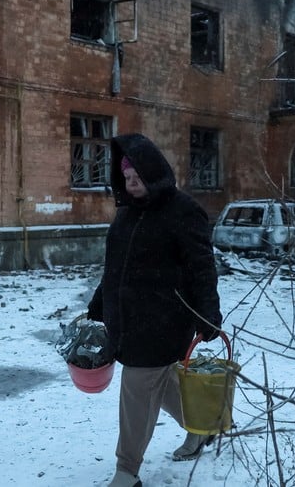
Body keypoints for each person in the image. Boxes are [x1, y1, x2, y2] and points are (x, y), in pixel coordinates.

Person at [87, 133, 223, 487]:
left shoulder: (183, 210)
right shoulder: (127, 215)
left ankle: (126, 471)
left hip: (163, 321)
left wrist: (208, 313)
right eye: (126, 180)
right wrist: (100, 302)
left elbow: (201, 266)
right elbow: (116, 267)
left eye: (137, 179)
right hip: (128, 320)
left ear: (153, 173)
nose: (131, 186)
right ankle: (202, 429)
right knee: (160, 386)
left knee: (136, 388)